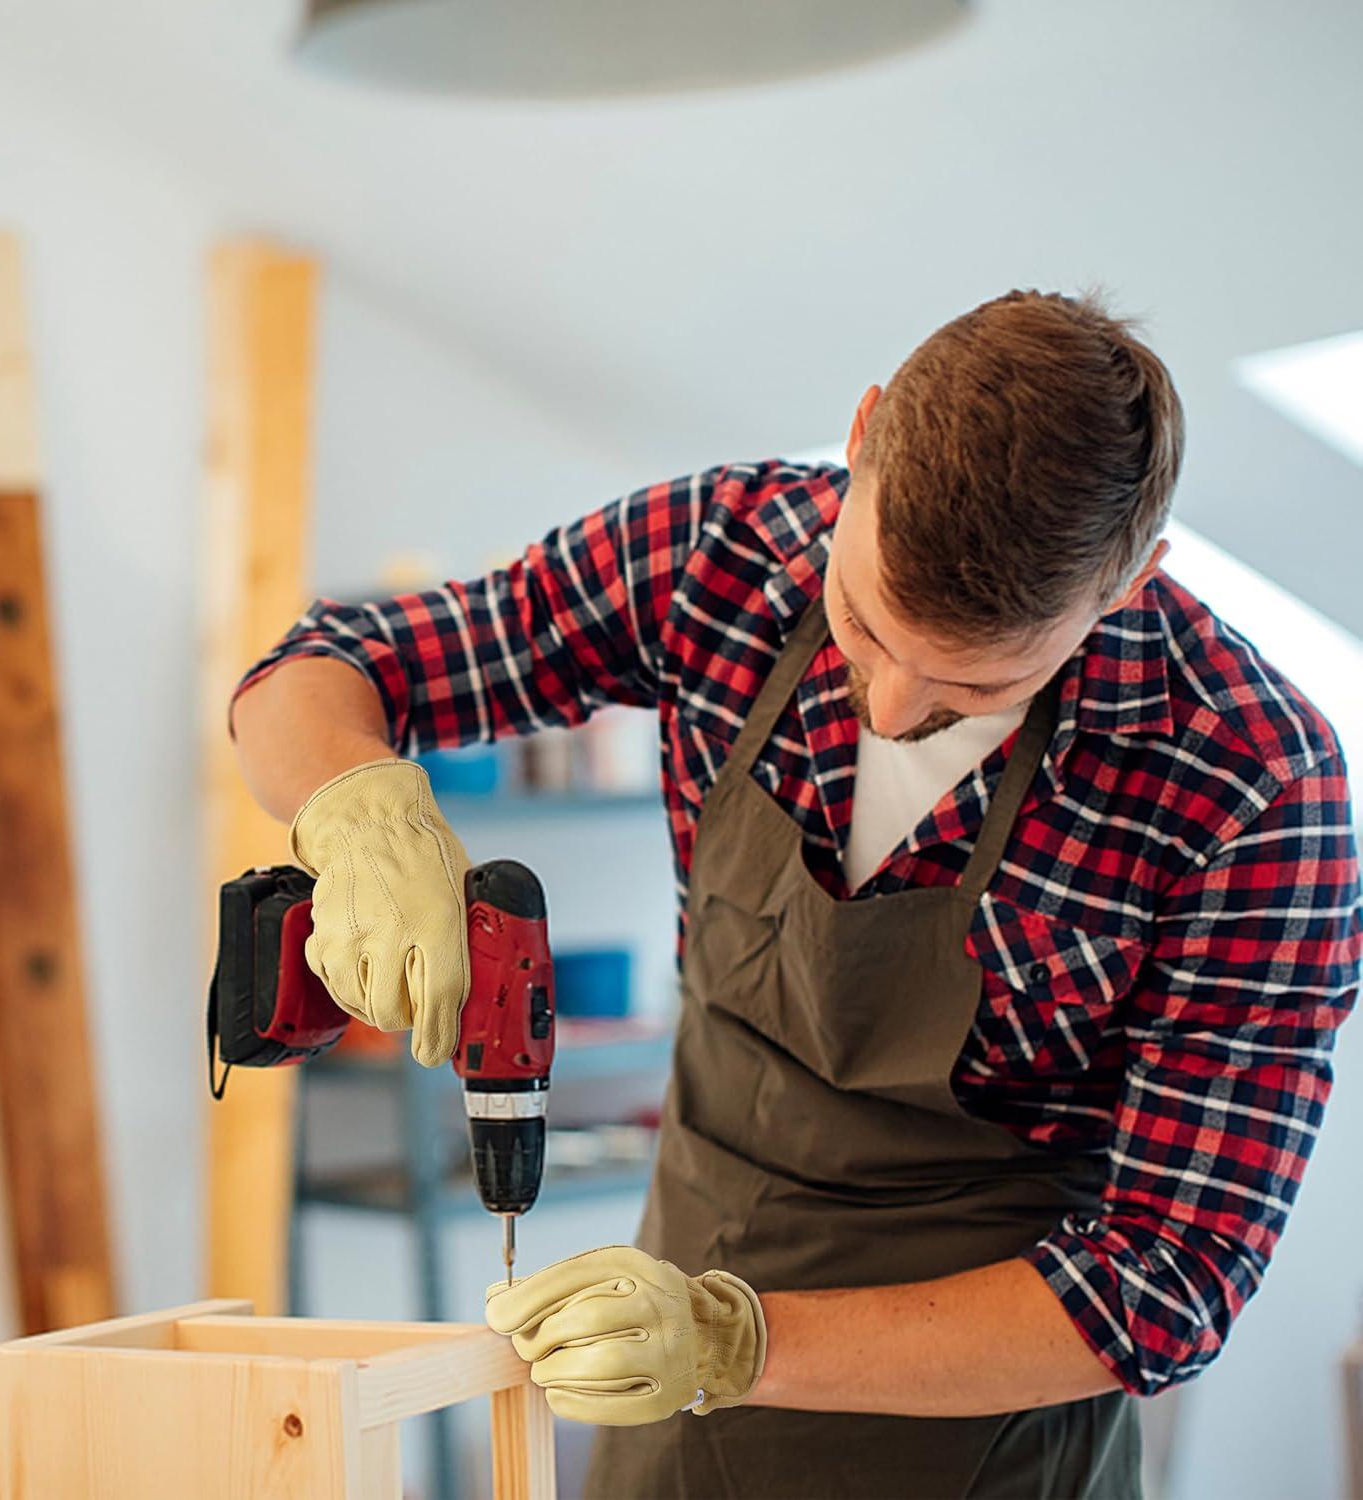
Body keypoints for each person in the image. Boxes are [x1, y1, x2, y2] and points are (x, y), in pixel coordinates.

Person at [228, 289, 1361, 1499]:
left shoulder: (1251, 782)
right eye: (865, 627)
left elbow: (1167, 1282)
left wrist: (735, 1341)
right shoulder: (730, 550)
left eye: (970, 688)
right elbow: (320, 667)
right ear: (863, 435)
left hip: (980, 1445)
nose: (887, 709)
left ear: (1130, 583)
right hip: (667, 1402)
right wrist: (361, 809)